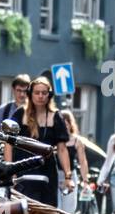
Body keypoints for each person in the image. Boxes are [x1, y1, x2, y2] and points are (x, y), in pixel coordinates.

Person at [5, 76, 72, 207]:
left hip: (47, 171)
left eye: (44, 93)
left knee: (47, 211)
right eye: (37, 93)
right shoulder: (20, 114)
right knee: (24, 210)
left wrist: (68, 177)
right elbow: (8, 144)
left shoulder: (56, 116)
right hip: (23, 169)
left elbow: (62, 149)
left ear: (49, 95)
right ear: (30, 94)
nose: (40, 96)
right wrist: (9, 171)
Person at [54, 110, 88, 214]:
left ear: (69, 123)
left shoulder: (76, 141)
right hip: (55, 177)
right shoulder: (53, 139)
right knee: (56, 212)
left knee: (69, 213)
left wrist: (85, 181)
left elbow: (83, 161)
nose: (63, 124)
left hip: (70, 178)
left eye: (66, 121)